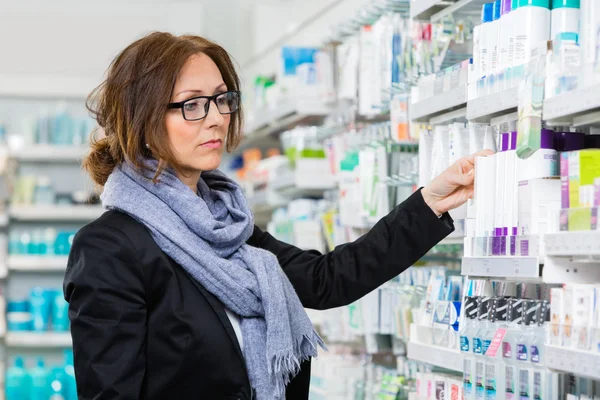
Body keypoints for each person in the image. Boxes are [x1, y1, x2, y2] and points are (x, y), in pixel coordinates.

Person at [63, 32, 490, 400]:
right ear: (142, 119)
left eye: (222, 99)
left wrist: (430, 201)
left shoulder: (230, 227)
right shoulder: (112, 246)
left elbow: (328, 279)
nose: (216, 118)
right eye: (192, 105)